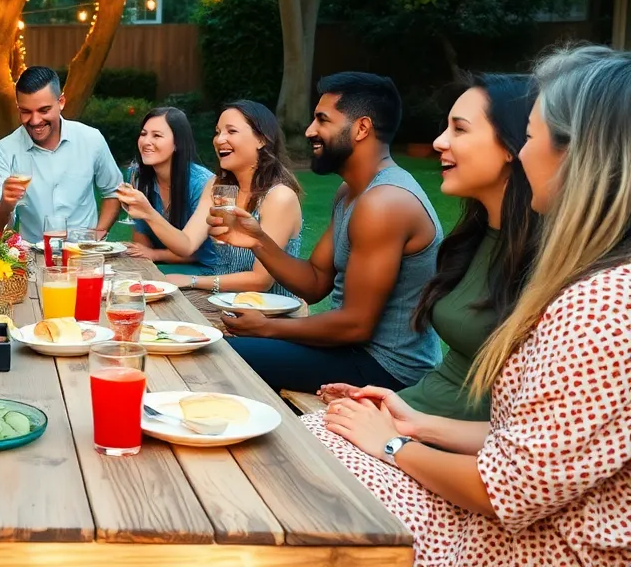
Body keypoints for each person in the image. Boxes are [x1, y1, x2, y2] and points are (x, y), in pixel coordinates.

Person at [307, 45, 631, 566]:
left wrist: (393, 446)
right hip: (493, 503)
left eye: (531, 136)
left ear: (580, 153)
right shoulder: (589, 283)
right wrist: (410, 422)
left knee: (303, 486)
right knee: (305, 447)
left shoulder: (601, 305)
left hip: (519, 548)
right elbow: (532, 447)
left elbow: (507, 490)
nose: (526, 155)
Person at [319, 74, 540, 421]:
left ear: (513, 146)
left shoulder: (550, 265)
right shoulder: (476, 237)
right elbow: (457, 374)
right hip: (405, 414)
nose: (438, 142)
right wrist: (389, 404)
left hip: (429, 442)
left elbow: (525, 442)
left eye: (460, 129)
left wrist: (400, 438)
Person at [209, 72, 442, 393]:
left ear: (361, 128)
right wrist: (258, 241)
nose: (309, 131)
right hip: (351, 349)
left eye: (322, 120)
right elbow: (316, 282)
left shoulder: (385, 202)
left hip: (387, 367)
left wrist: (268, 328)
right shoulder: (350, 192)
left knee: (219, 356)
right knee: (218, 347)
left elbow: (356, 325)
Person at [120, 100, 303, 294]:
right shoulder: (217, 186)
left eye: (231, 131)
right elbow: (187, 244)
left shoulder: (279, 197)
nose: (219, 139)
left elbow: (260, 281)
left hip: (268, 311)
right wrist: (148, 213)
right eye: (218, 132)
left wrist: (192, 280)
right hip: (224, 301)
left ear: (262, 139)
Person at [0, 67, 123, 242]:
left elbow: (114, 192)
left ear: (61, 102)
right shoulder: (6, 149)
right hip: (33, 256)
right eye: (26, 112)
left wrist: (98, 234)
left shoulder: (91, 139)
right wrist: (6, 204)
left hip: (82, 253)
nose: (35, 121)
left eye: (44, 110)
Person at [118, 107, 218, 272]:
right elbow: (141, 246)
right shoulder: (137, 175)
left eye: (156, 135)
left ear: (177, 143)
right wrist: (144, 253)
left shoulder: (201, 184)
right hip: (162, 266)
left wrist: (155, 254)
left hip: (202, 269)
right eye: (143, 134)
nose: (146, 142)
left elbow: (197, 251)